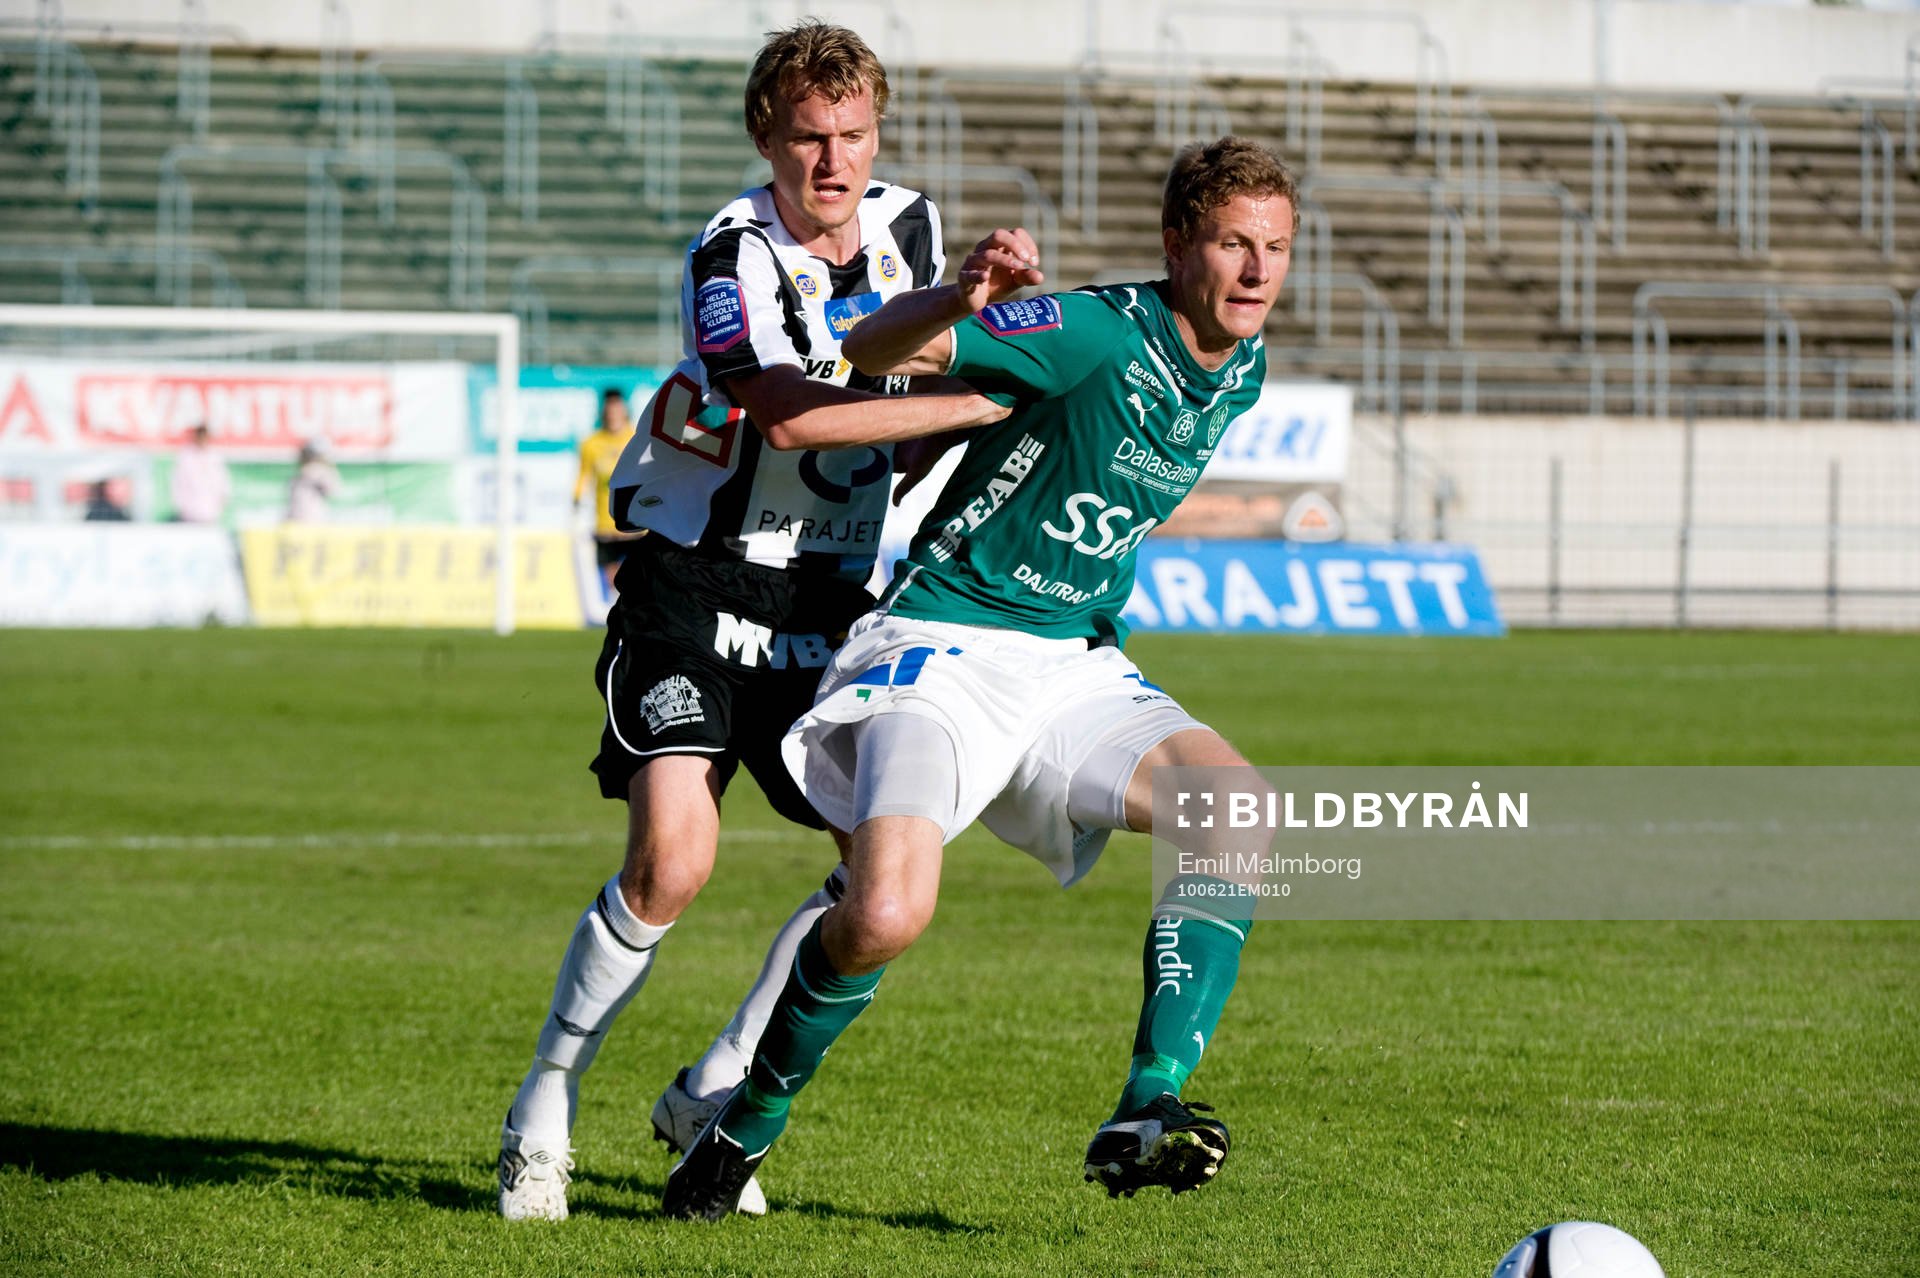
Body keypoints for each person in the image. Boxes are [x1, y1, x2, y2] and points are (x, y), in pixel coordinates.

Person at [662, 135, 1297, 1220]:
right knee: (886, 914)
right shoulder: (1094, 330)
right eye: (1233, 243)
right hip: (940, 649)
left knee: (1237, 809)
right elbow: (873, 347)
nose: (1256, 271)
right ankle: (741, 1127)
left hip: (1069, 664)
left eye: (1277, 248)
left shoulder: (1244, 366)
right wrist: (959, 296)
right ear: (1176, 243)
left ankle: (1150, 1101)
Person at [495, 19, 1010, 1223]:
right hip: (694, 579)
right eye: (805, 140)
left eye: (852, 136)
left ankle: (717, 1085)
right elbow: (787, 413)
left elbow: (928, 338)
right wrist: (971, 397)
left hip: (829, 602)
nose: (831, 163)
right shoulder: (728, 258)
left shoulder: (915, 225)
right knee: (674, 860)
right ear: (765, 142)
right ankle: (544, 1104)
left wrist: (977, 304)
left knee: (880, 877)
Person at [573, 387, 641, 595]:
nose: (613, 415)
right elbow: (583, 476)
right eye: (609, 410)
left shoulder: (636, 438)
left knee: (636, 573)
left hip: (636, 521)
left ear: (624, 411)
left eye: (616, 410)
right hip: (604, 522)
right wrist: (575, 503)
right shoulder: (591, 444)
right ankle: (617, 611)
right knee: (612, 577)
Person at [170, 424, 229, 524]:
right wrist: (182, 506)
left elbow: (222, 482)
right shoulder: (186, 456)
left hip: (211, 513)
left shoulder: (214, 457)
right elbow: (178, 483)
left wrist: (220, 504)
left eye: (205, 437)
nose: (202, 440)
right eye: (200, 437)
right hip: (189, 513)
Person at [285, 443, 338, 523]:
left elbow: (333, 488)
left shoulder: (317, 471)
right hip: (301, 519)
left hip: (310, 519)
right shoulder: (305, 473)